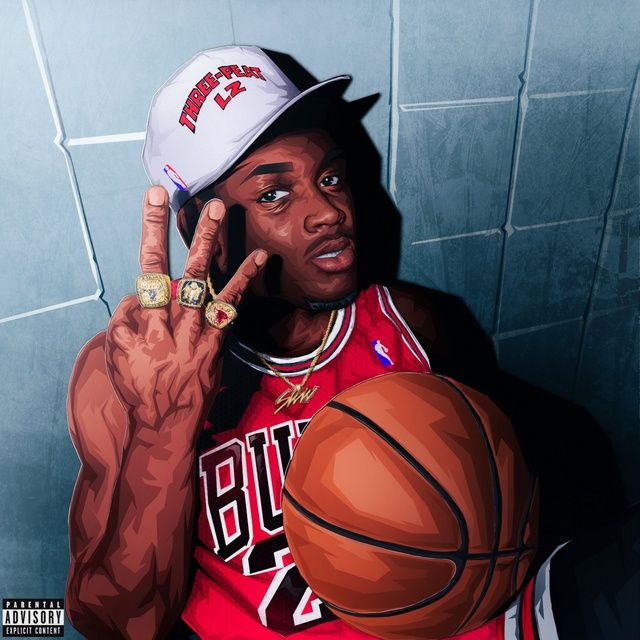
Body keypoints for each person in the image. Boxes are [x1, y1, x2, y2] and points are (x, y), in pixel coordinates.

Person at [65, 46, 638, 640]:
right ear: (196, 228)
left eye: (330, 178)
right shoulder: (121, 376)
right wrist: (162, 432)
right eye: (274, 194)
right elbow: (117, 625)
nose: (328, 212)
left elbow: (521, 477)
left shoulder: (415, 322)